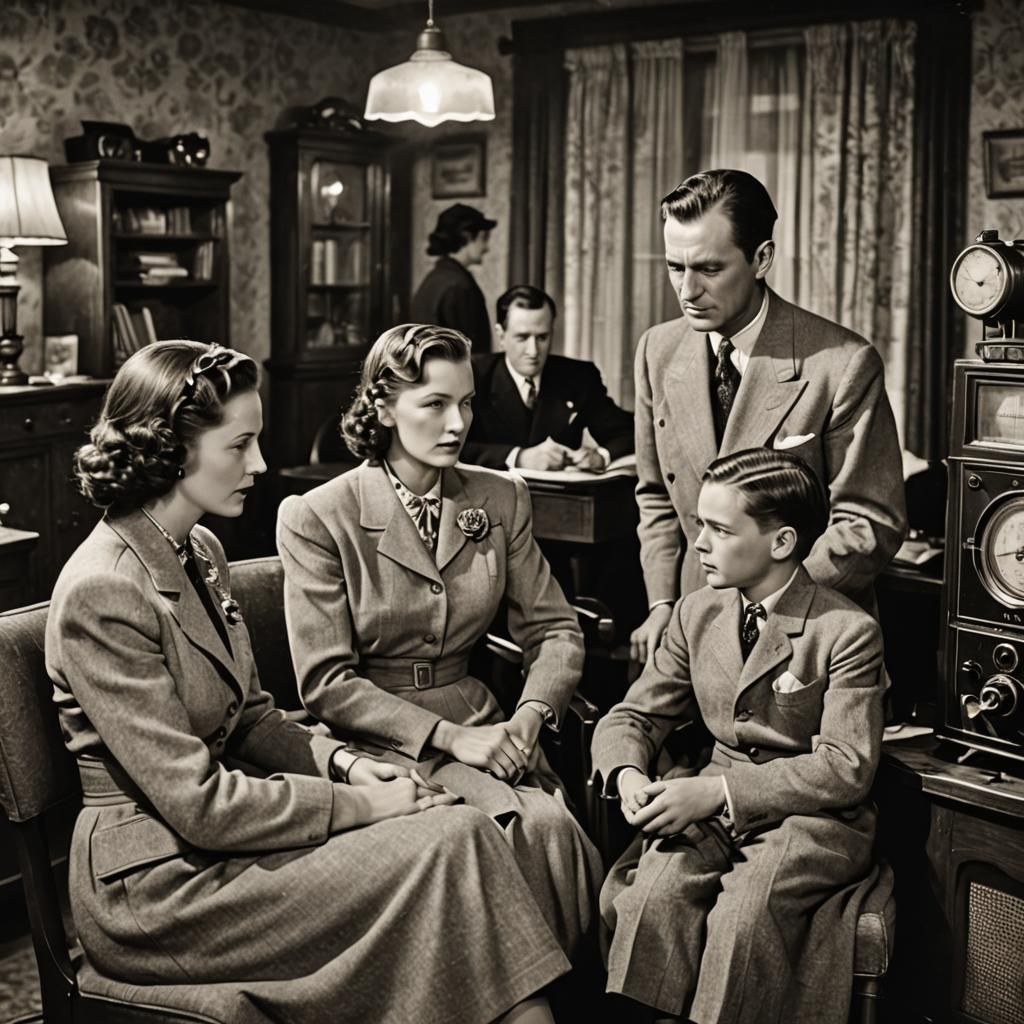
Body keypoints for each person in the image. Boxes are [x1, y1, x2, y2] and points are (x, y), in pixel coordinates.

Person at [46, 340, 570, 1024]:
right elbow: (199, 804)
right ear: (170, 449)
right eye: (241, 445)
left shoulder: (198, 549)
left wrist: (350, 767)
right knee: (450, 840)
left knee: (459, 831)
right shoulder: (102, 592)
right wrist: (363, 807)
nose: (260, 465)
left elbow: (257, 718)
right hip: (156, 888)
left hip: (218, 841)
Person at [276, 324, 602, 964]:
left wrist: (530, 718)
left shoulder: (500, 495)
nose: (457, 423)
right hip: (378, 741)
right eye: (434, 404)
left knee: (553, 830)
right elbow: (326, 684)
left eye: (468, 402)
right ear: (383, 406)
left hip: (490, 722)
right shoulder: (318, 515)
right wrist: (452, 740)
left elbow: (555, 630)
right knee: (495, 834)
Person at [592, 448, 888, 1024]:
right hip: (710, 810)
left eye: (719, 529)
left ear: (780, 543)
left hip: (815, 819)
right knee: (654, 894)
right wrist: (628, 773)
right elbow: (634, 717)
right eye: (700, 524)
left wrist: (718, 792)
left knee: (744, 916)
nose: (698, 542)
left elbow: (846, 767)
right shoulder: (695, 612)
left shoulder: (847, 631)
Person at [629, 169, 906, 665]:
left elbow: (869, 523)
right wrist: (662, 604)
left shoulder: (842, 363)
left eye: (709, 269)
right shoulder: (657, 349)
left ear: (762, 258)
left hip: (809, 636)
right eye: (675, 267)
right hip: (688, 632)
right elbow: (655, 497)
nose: (687, 290)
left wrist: (760, 609)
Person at [462, 285, 635, 472]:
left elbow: (628, 433)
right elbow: (448, 445)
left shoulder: (578, 377)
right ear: (501, 335)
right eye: (522, 337)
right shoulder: (472, 375)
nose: (533, 351)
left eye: (542, 338)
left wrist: (601, 456)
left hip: (560, 498)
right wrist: (518, 457)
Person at [410, 203, 496, 353]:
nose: (487, 248)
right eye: (484, 238)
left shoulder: (436, 277)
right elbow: (470, 352)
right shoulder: (459, 286)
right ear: (467, 236)